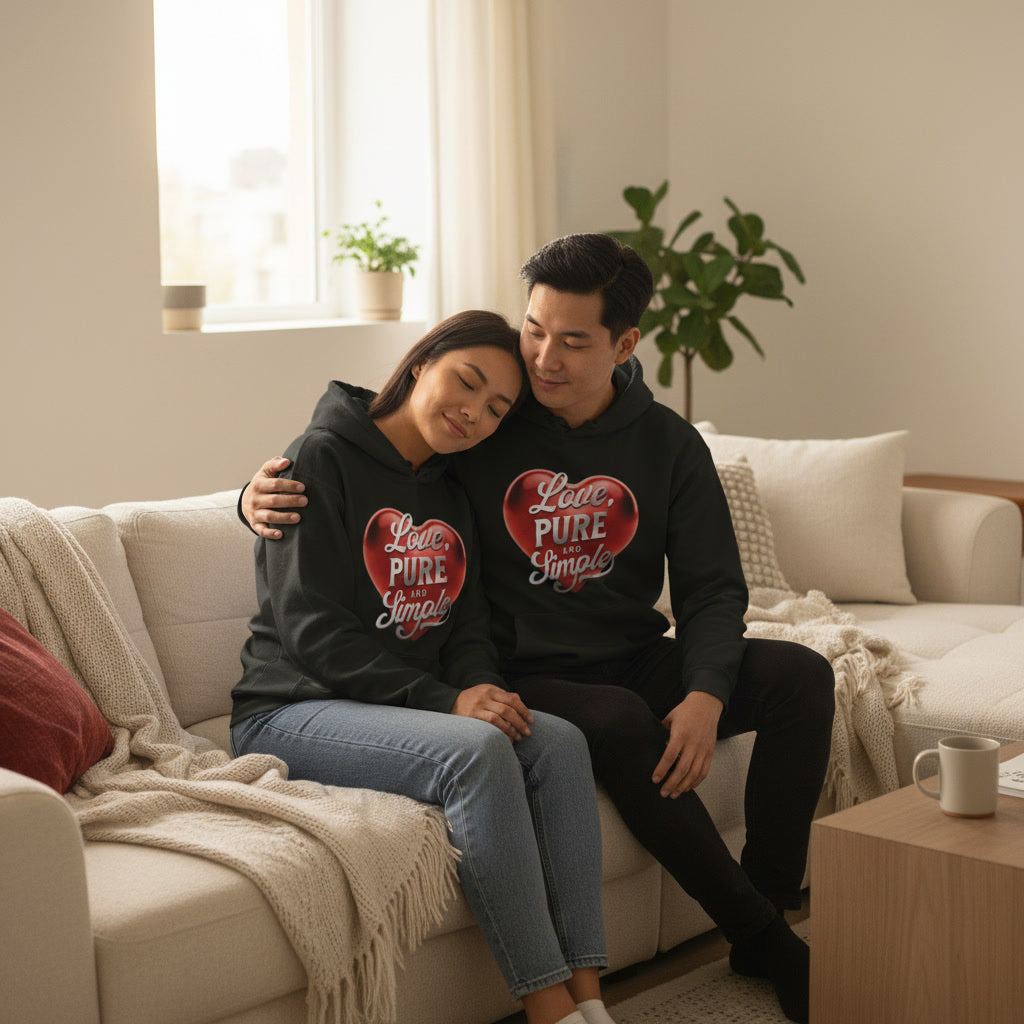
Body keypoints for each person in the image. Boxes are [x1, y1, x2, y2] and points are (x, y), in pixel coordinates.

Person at [242, 238, 836, 1024]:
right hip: (516, 671)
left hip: (627, 655)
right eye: (535, 330)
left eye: (574, 340)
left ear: (625, 345)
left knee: (803, 678)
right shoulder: (490, 425)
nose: (544, 358)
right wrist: (254, 499)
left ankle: (765, 914)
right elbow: (379, 460)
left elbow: (714, 593)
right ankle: (757, 932)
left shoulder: (666, 444)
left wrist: (703, 692)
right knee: (619, 723)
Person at [231, 310, 618, 1024]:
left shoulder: (446, 485)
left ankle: (592, 998)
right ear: (420, 364)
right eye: (465, 382)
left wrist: (479, 687)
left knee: (559, 742)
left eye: (497, 407)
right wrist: (445, 701)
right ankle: (547, 1006)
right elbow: (311, 631)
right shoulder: (318, 458)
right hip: (290, 708)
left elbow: (466, 621)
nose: (473, 412)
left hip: (394, 707)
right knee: (475, 753)